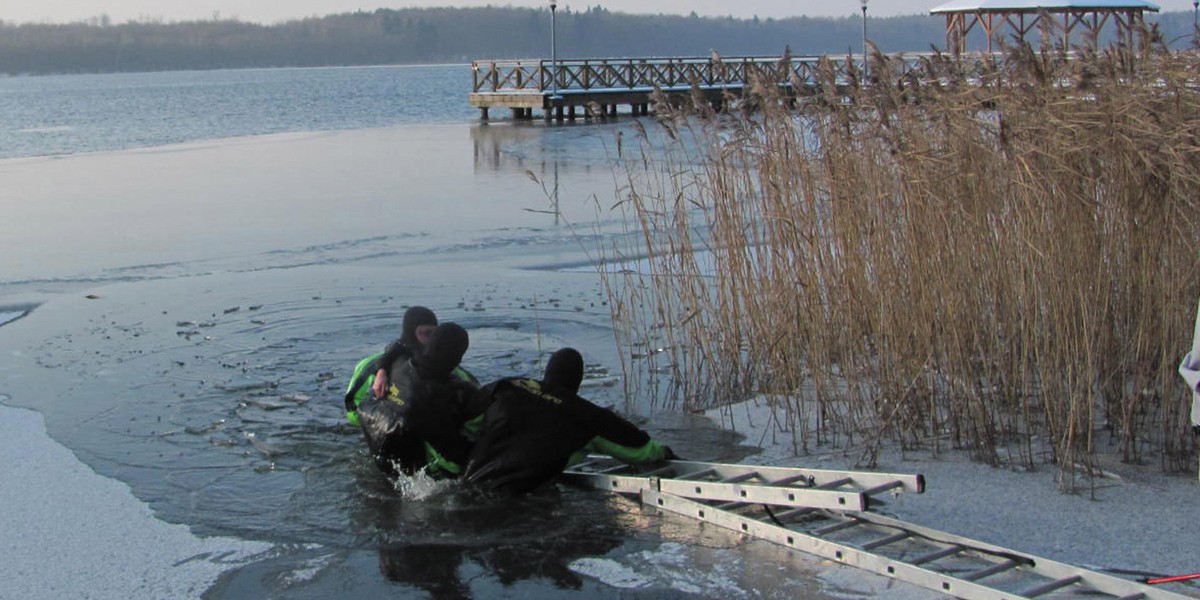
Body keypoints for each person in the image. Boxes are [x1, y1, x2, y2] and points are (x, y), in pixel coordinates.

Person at [462, 348, 674, 495]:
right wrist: (664, 452)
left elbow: (468, 423)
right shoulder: (587, 416)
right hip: (517, 498)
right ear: (578, 380)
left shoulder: (507, 387)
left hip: (468, 482)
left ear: (547, 371)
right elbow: (639, 450)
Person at [356, 323, 480, 478]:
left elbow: (396, 346)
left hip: (380, 451)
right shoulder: (442, 395)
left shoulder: (398, 362)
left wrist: (381, 369)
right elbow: (453, 459)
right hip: (414, 478)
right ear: (457, 357)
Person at [343, 305, 476, 426]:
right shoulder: (371, 366)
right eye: (426, 333)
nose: (430, 340)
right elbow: (352, 405)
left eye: (434, 334)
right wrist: (380, 421)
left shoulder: (453, 370)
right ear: (410, 333)